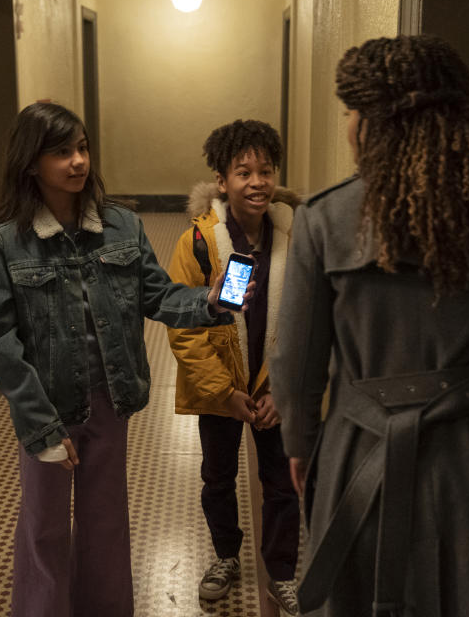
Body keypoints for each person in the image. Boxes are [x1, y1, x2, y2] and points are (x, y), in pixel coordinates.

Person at [270, 35, 469, 617]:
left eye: (350, 112)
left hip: (358, 448)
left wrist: (299, 445)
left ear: (373, 121)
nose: (347, 127)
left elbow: (296, 361)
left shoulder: (325, 217)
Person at [0, 102, 248, 617]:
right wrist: (39, 425)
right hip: (47, 407)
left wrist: (209, 303)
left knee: (105, 522)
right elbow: (0, 342)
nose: (78, 161)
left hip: (109, 399)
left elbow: (158, 296)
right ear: (30, 163)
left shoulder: (122, 226)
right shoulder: (5, 244)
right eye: (61, 152)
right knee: (45, 527)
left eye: (81, 148)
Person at [166, 120, 302, 615]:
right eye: (243, 172)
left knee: (282, 483)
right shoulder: (200, 243)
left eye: (266, 170)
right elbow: (184, 328)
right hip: (221, 390)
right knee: (218, 478)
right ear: (222, 181)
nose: (257, 182)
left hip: (274, 389)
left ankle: (282, 571)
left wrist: (283, 392)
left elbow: (310, 321)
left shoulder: (295, 236)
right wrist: (224, 392)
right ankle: (226, 556)